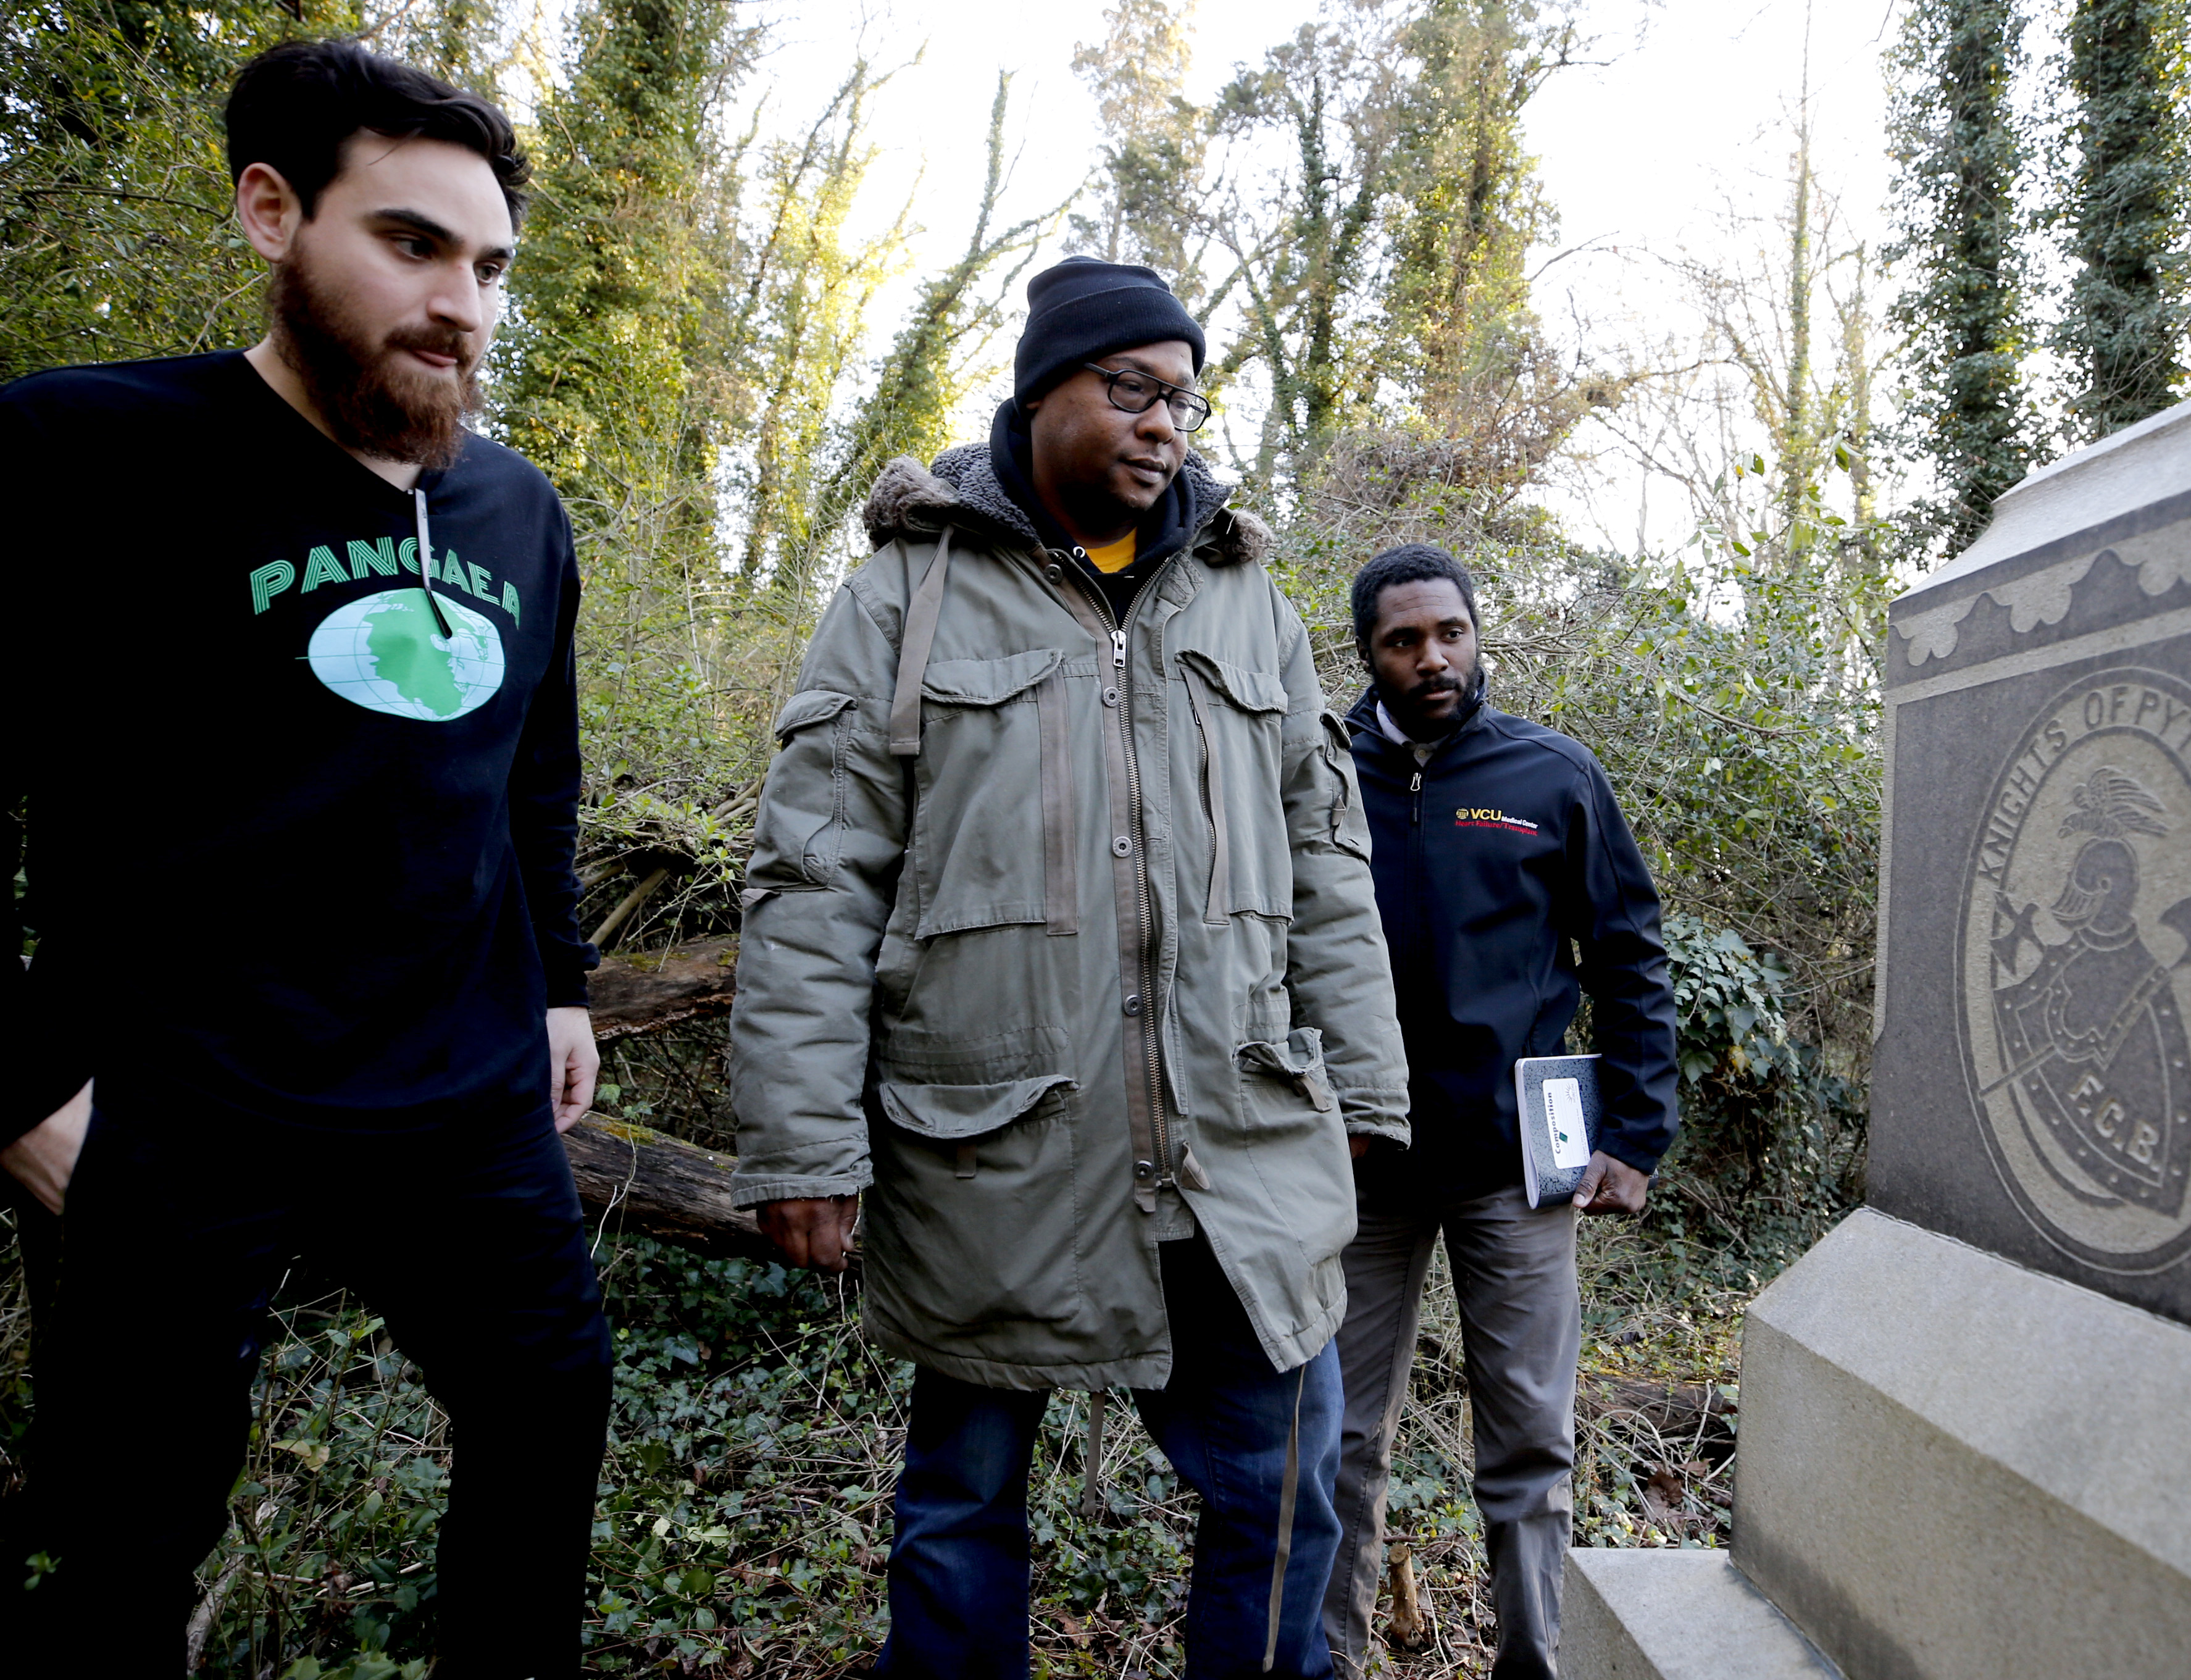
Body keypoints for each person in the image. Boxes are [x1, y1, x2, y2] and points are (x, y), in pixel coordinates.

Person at [0, 41, 612, 1676]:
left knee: (549, 1422)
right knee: (130, 1532)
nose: (463, 302)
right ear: (272, 213)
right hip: (182, 1104)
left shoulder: (516, 516)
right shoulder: (79, 453)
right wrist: (14, 1091)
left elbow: (529, 776)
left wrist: (559, 989)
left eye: (487, 266)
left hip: (461, 1101)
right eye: (409, 243)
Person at [728, 255, 1409, 1679]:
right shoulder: (905, 596)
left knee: (1286, 1486)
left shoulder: (1248, 603)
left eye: (1186, 397)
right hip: (994, 1143)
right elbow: (813, 875)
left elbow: (1328, 867)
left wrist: (1366, 1088)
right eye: (1133, 389)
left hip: (1239, 1137)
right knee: (962, 1505)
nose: (1168, 424)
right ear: (1042, 392)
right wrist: (801, 1138)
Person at [1321, 544, 1679, 1680]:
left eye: (1450, 633)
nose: (1432, 658)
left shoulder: (1550, 775)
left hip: (1513, 1168)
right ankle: (1322, 1659)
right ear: (1367, 652)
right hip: (1356, 1168)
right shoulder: (1316, 773)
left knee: (1529, 1438)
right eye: (1403, 640)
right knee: (1333, 1441)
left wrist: (1633, 1133)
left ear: (1477, 633)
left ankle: (1533, 1664)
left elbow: (1629, 956)